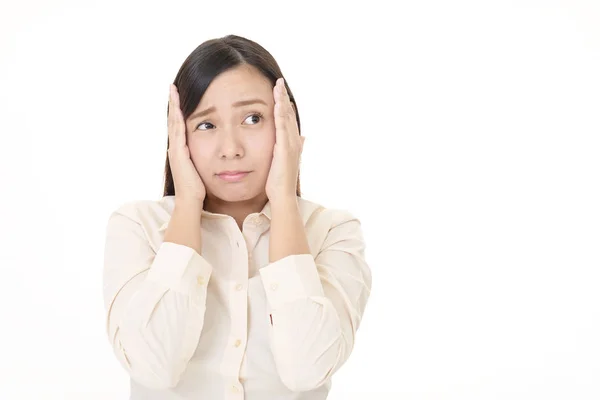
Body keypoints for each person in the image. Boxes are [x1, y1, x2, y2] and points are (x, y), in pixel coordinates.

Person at [102, 34, 372, 400]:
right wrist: (186, 205)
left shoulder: (332, 232)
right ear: (178, 136)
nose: (231, 149)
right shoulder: (138, 227)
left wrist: (284, 200)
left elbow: (307, 370)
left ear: (287, 124)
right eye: (206, 125)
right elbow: (155, 368)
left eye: (252, 118)